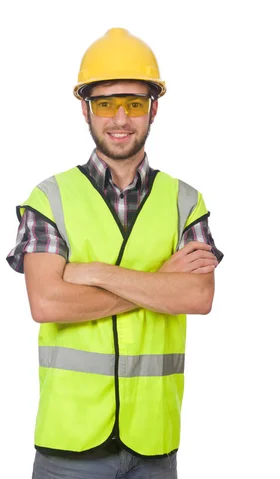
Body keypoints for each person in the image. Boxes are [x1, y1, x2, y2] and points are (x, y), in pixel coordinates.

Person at [6, 27, 223, 478]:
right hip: (69, 447)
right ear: (85, 109)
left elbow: (197, 298)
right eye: (105, 103)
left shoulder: (187, 201)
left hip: (155, 446)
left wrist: (92, 273)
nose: (120, 118)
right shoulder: (49, 199)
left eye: (134, 103)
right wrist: (159, 280)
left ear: (154, 108)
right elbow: (46, 303)